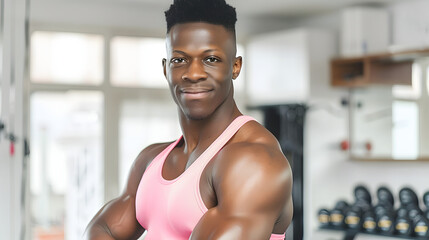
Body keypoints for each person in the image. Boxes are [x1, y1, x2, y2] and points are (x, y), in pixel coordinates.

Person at [84, 0, 293, 239]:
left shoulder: (254, 161)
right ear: (165, 69)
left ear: (235, 67)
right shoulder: (150, 161)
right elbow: (102, 229)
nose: (193, 74)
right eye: (180, 60)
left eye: (211, 59)